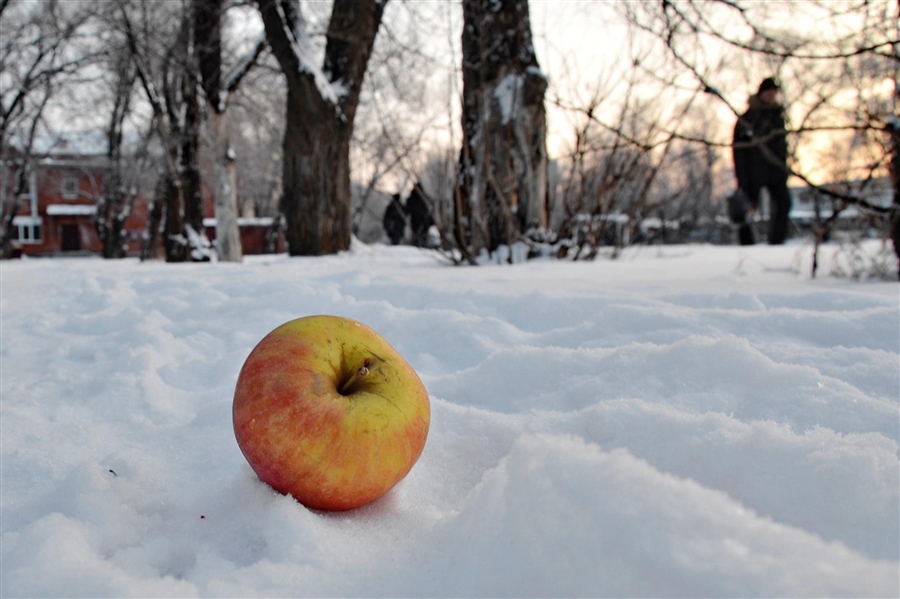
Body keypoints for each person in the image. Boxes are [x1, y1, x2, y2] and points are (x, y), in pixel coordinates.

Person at [732, 77, 792, 245]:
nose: (772, 96)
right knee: (746, 207)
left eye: (774, 92)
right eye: (769, 92)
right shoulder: (748, 118)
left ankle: (777, 242)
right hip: (753, 172)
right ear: (762, 93)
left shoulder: (777, 117)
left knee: (784, 203)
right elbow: (739, 149)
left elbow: (782, 147)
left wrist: (784, 168)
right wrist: (742, 176)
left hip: (776, 170)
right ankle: (746, 245)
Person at [404, 181, 435, 247]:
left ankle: (419, 248)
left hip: (415, 222)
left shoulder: (411, 199)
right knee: (423, 237)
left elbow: (406, 211)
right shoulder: (425, 197)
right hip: (424, 222)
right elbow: (431, 208)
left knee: (417, 237)